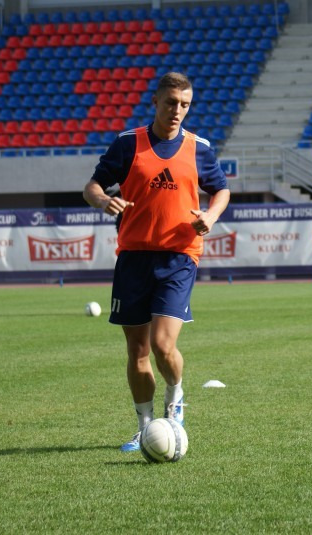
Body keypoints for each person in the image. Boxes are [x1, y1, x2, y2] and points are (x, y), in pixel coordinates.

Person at [83, 72, 230, 452]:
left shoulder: (198, 148)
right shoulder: (128, 143)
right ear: (155, 102)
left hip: (179, 256)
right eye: (171, 103)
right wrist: (104, 201)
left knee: (163, 344)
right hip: (133, 257)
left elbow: (221, 190)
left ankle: (175, 398)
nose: (177, 110)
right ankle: (145, 427)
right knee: (138, 351)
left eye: (185, 105)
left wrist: (211, 216)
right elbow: (92, 186)